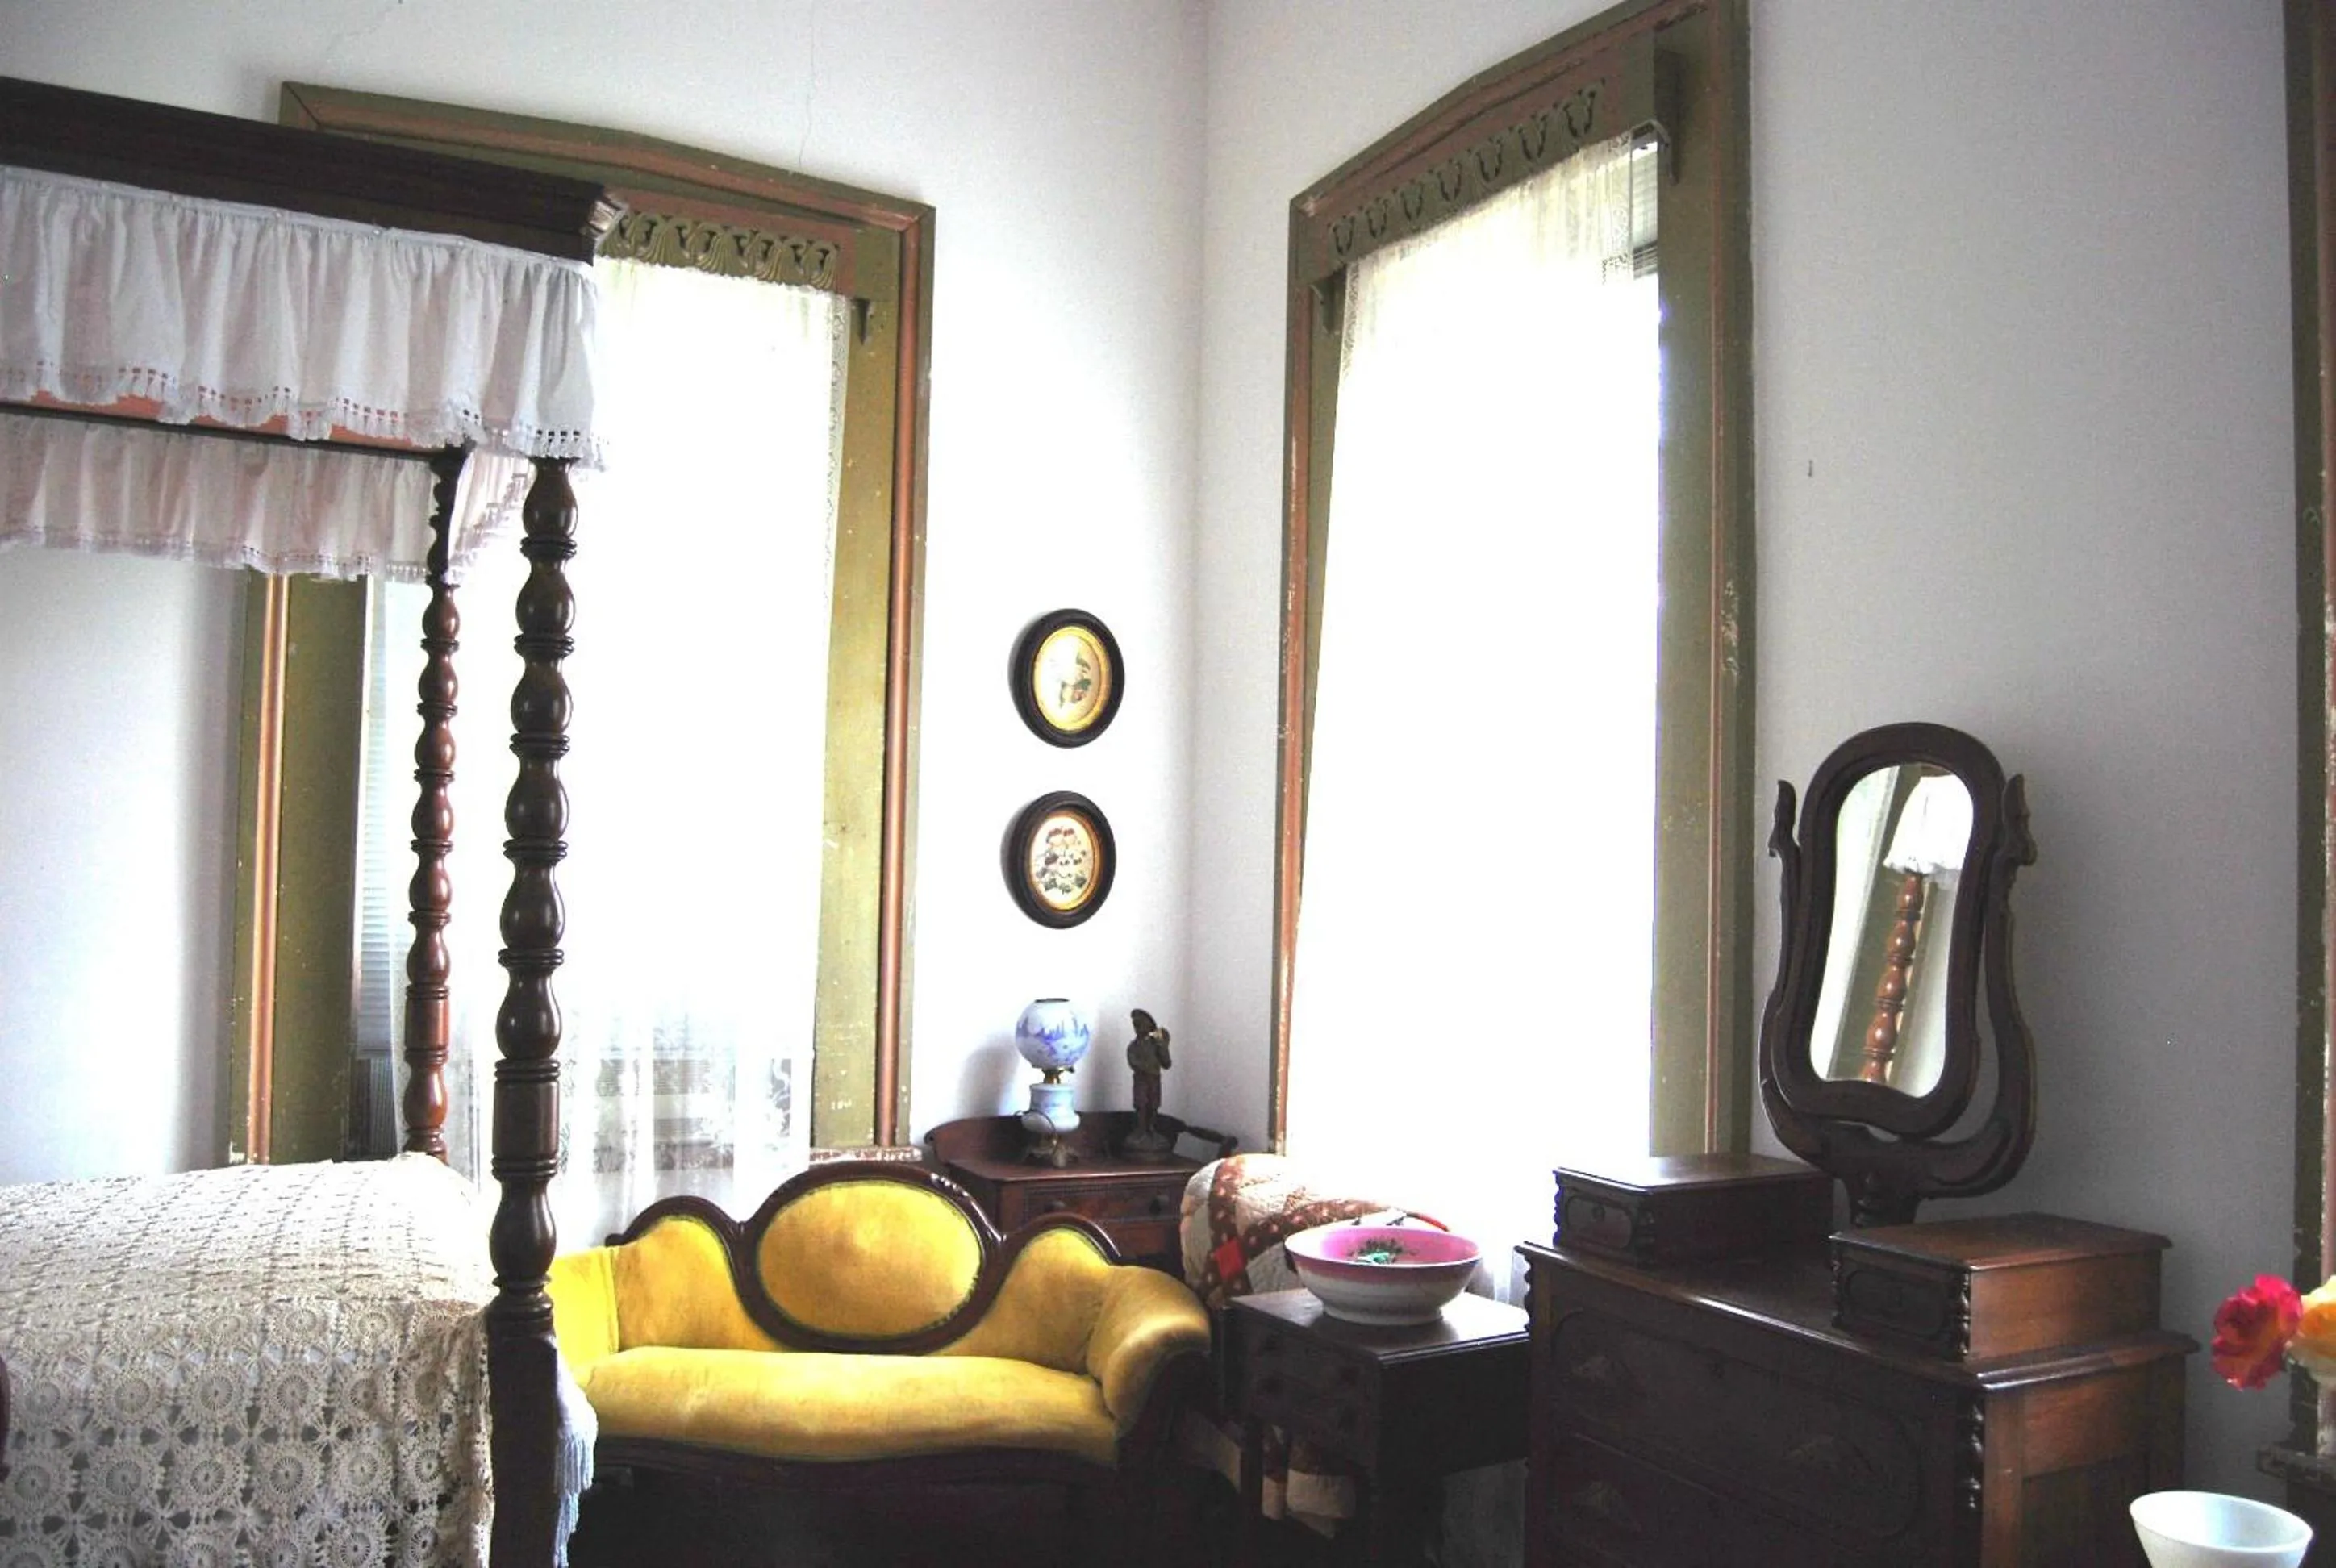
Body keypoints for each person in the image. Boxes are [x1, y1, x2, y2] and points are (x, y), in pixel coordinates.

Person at [1124, 1009, 1173, 1157]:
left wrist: (1162, 1046)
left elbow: (1167, 1063)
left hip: (1154, 1080)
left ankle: (1151, 1129)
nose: (1138, 1028)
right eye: (1136, 1025)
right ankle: (1140, 1130)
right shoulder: (1133, 1046)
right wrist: (1148, 1069)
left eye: (1141, 1025)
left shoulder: (1156, 1044)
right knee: (1141, 1104)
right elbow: (1134, 1063)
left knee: (1153, 1104)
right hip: (1141, 1080)